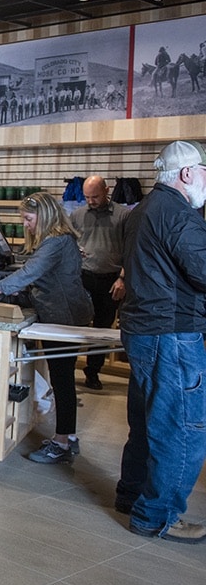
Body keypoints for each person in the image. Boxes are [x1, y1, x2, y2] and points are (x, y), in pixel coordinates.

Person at [114, 140, 206, 543]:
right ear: (187, 173)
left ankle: (131, 496)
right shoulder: (180, 215)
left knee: (146, 420)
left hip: (144, 330)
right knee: (181, 427)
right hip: (172, 333)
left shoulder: (142, 212)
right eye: (204, 171)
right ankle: (157, 515)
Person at [0, 192, 92, 463]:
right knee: (62, 377)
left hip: (63, 316)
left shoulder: (56, 242)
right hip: (64, 312)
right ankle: (67, 435)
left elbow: (29, 274)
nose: (26, 225)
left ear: (43, 216)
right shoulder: (58, 240)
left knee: (62, 378)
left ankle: (63, 441)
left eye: (29, 219)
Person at [69, 175, 129, 390]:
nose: (91, 201)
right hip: (83, 278)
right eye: (87, 197)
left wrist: (123, 278)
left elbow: (132, 251)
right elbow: (67, 243)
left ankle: (93, 372)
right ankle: (68, 369)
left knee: (102, 330)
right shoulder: (77, 215)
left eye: (95, 196)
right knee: (76, 326)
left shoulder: (123, 215)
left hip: (110, 281)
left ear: (107, 190)